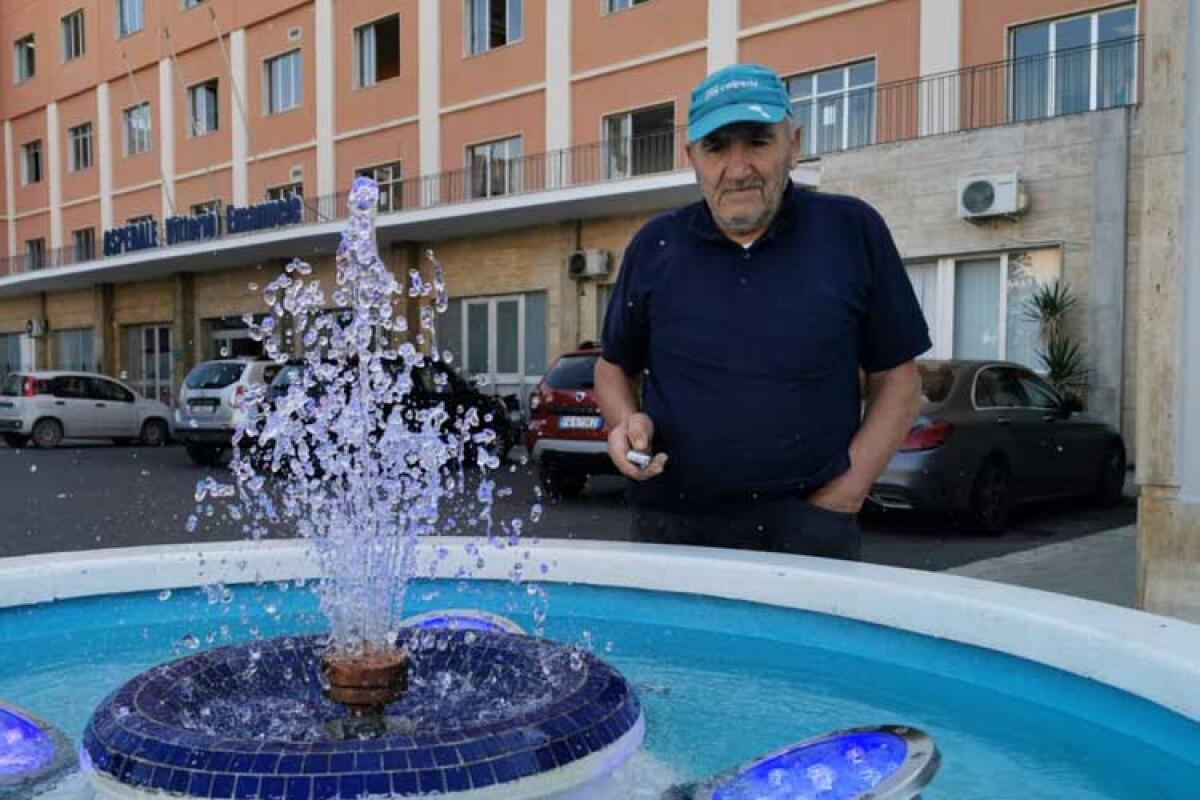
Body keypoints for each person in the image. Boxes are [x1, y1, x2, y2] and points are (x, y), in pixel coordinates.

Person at [594, 63, 930, 560]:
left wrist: (845, 494)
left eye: (757, 141)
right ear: (692, 158)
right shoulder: (655, 245)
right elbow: (612, 367)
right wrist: (626, 421)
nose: (737, 168)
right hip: (671, 525)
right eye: (716, 147)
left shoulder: (851, 232)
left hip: (810, 526)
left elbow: (900, 382)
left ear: (793, 143)